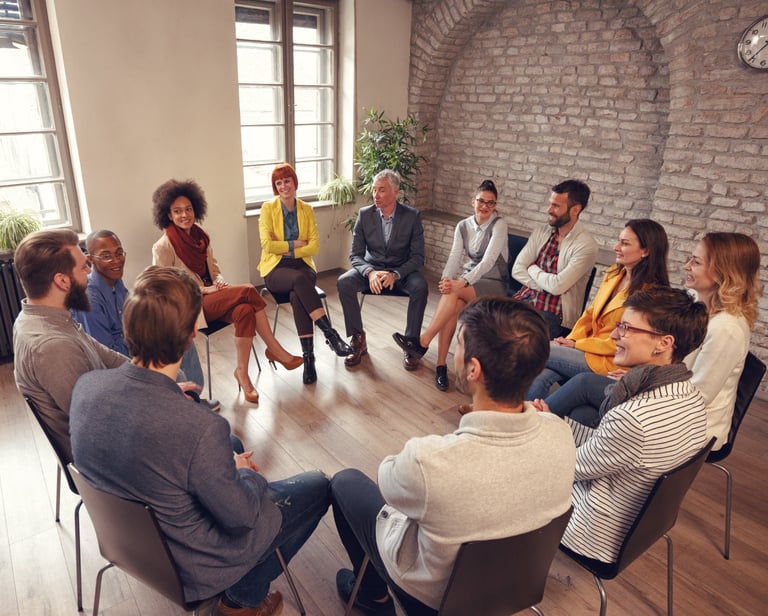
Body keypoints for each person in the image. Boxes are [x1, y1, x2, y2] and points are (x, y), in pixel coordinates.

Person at [69, 266, 330, 616]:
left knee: (229, 452)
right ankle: (242, 599)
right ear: (194, 331)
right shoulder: (201, 427)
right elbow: (241, 517)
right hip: (194, 565)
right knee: (318, 485)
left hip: (129, 546)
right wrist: (244, 474)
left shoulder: (86, 388)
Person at [330, 297, 576, 614]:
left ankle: (372, 595)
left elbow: (388, 482)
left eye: (458, 343)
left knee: (344, 482)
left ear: (474, 369)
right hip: (515, 588)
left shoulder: (429, 461)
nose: (452, 352)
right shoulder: (562, 433)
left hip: (431, 599)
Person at [534, 287, 709, 564]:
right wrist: (552, 423)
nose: (614, 335)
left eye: (626, 328)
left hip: (595, 530)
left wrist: (543, 428)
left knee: (508, 468)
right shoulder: (691, 394)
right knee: (578, 411)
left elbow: (568, 470)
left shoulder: (633, 418)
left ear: (663, 343)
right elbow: (615, 446)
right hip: (636, 515)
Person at [542, 232, 762, 450]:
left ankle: (528, 430)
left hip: (687, 424)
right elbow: (668, 360)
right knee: (583, 413)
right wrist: (636, 375)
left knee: (583, 383)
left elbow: (696, 397)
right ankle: (548, 450)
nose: (686, 266)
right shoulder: (696, 305)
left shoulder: (727, 328)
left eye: (695, 262)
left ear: (721, 272)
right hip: (660, 398)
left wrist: (639, 382)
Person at [152, 178, 302, 404]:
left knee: (244, 310)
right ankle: (275, 350)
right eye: (177, 211)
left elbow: (214, 268)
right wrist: (206, 289)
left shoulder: (201, 236)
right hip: (192, 307)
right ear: (168, 215)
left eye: (188, 209)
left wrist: (219, 282)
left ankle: (242, 373)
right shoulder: (163, 246)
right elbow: (164, 287)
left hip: (213, 297)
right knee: (250, 290)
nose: (185, 215)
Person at [12, 229, 128, 463]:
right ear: (62, 280)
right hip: (106, 463)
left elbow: (111, 358)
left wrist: (156, 383)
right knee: (207, 434)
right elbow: (99, 425)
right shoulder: (52, 347)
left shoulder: (48, 318)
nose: (89, 272)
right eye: (84, 267)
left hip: (109, 426)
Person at [72, 229, 219, 411]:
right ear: (91, 259)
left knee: (181, 338)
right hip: (119, 362)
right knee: (175, 369)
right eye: (106, 256)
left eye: (119, 253)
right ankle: (182, 405)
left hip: (133, 344)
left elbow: (133, 320)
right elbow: (105, 353)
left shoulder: (115, 281)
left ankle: (192, 398)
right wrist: (146, 348)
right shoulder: (90, 299)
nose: (116, 261)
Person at [525, 219, 669, 401]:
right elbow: (590, 314)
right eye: (619, 241)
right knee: (542, 373)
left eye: (624, 243)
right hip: (586, 349)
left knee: (537, 349)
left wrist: (577, 345)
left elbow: (625, 341)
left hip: (610, 359)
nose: (616, 247)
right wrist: (570, 340)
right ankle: (520, 422)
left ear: (646, 251)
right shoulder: (613, 274)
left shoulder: (652, 294)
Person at [392, 179, 509, 392]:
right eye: (481, 201)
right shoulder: (463, 226)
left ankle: (423, 341)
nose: (485, 206)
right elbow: (455, 256)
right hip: (469, 282)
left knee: (454, 292)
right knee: (452, 306)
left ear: (495, 206)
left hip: (494, 284)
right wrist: (446, 280)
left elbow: (488, 262)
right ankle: (440, 365)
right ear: (472, 201)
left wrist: (460, 282)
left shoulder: (499, 225)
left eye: (490, 203)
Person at [258, 163, 352, 385]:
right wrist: (295, 244)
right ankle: (331, 335)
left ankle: (309, 359)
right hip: (276, 268)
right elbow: (267, 245)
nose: (283, 186)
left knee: (296, 294)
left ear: (294, 182)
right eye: (278, 183)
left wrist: (283, 243)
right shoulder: (267, 209)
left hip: (303, 266)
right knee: (298, 282)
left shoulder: (306, 210)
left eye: (286, 181)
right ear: (275, 187)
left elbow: (314, 247)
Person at [337, 169, 428, 370]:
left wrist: (396, 274)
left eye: (382, 190)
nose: (376, 195)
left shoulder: (412, 216)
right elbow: (355, 255)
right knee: (345, 282)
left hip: (401, 271)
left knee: (420, 287)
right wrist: (370, 272)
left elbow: (418, 257)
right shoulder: (365, 214)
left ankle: (411, 344)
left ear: (395, 192)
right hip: (373, 269)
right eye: (374, 190)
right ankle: (358, 339)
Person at [512, 179, 598, 338]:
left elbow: (557, 287)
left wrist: (531, 268)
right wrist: (539, 286)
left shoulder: (586, 245)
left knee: (515, 340)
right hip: (524, 299)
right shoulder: (542, 231)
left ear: (575, 210)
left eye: (556, 206)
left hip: (554, 314)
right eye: (550, 203)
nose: (549, 210)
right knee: (486, 324)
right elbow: (517, 269)